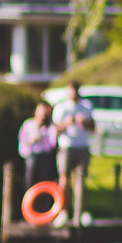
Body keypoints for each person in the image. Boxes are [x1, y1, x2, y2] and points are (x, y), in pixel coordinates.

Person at [52, 80, 97, 219]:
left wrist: (84, 122)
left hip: (82, 145)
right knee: (64, 179)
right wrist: (66, 123)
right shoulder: (61, 107)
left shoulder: (86, 106)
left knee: (81, 179)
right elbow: (55, 129)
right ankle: (63, 211)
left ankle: (81, 211)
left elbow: (93, 128)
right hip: (66, 146)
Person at [18, 101, 58, 189]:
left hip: (45, 157)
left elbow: (52, 144)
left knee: (45, 183)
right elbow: (22, 144)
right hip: (32, 156)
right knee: (30, 184)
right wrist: (31, 141)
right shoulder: (28, 124)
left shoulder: (50, 127)